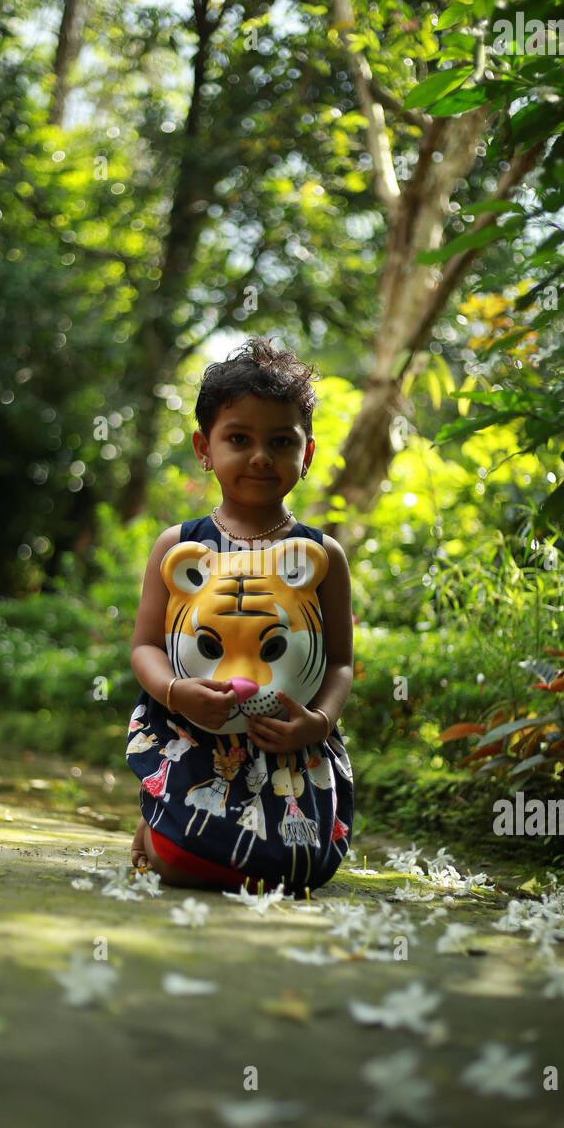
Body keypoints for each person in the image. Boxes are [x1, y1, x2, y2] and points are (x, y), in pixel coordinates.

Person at [125, 336, 354, 896]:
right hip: (191, 733)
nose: (260, 456)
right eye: (239, 439)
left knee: (299, 871)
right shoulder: (178, 545)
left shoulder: (322, 556)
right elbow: (146, 647)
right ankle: (159, 819)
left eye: (280, 441)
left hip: (288, 745)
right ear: (205, 449)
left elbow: (342, 664)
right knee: (182, 864)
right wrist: (176, 694)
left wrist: (317, 723)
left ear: (308, 453)